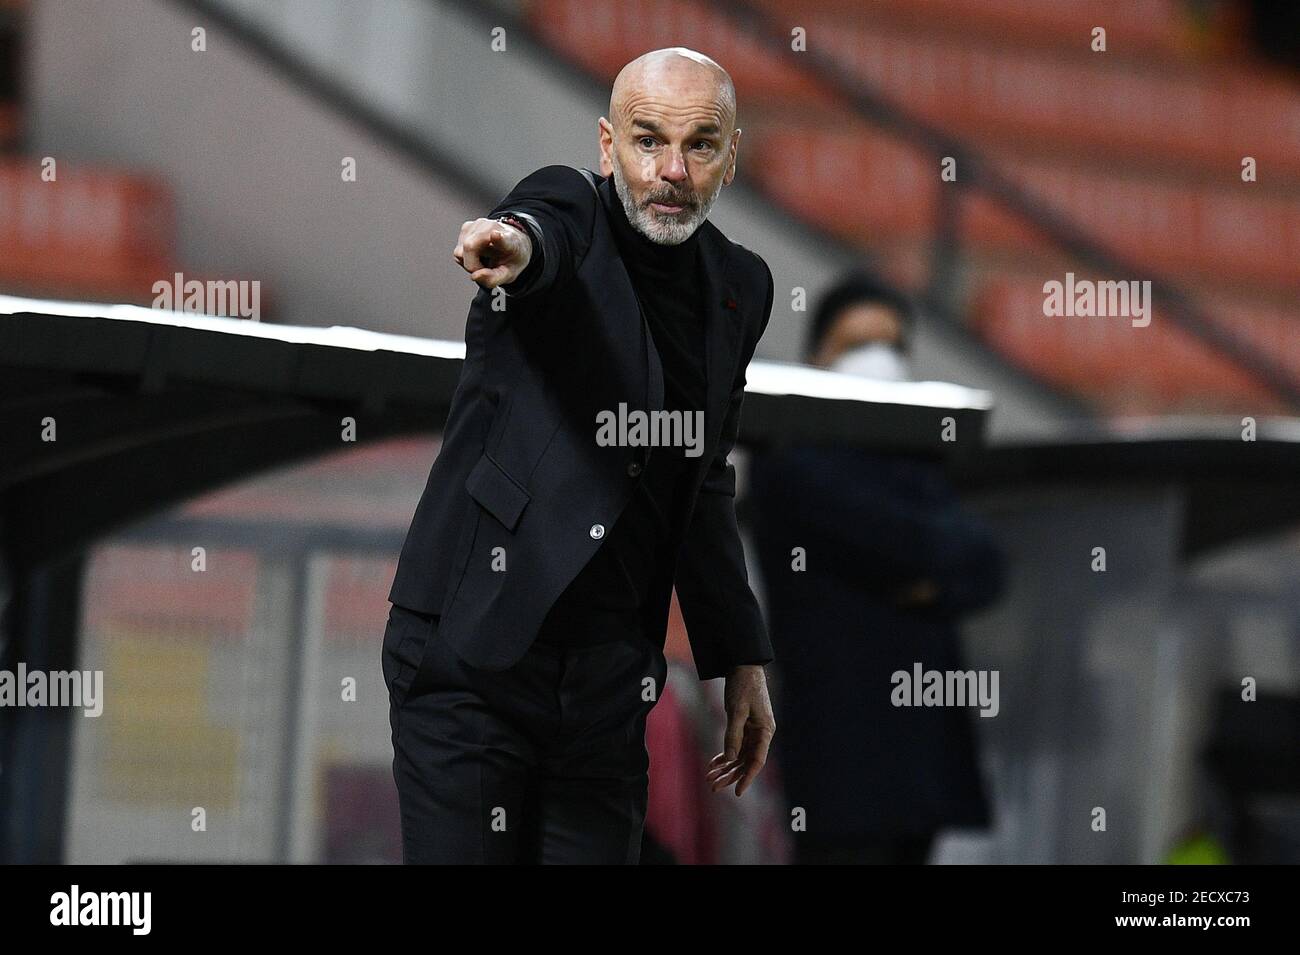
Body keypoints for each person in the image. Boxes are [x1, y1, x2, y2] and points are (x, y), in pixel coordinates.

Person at [383, 48, 777, 864]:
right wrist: (513, 248)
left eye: (701, 144)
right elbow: (539, 238)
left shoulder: (742, 284)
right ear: (607, 147)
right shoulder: (567, 205)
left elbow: (702, 480)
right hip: (473, 656)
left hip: (607, 686)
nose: (671, 169)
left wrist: (738, 655)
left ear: (731, 157)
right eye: (647, 140)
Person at [750, 272, 1004, 865]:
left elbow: (987, 565)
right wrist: (932, 573)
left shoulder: (916, 460)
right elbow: (908, 543)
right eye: (855, 344)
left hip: (923, 764)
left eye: (890, 345)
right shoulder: (788, 456)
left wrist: (928, 573)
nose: (876, 360)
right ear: (817, 356)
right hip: (844, 763)